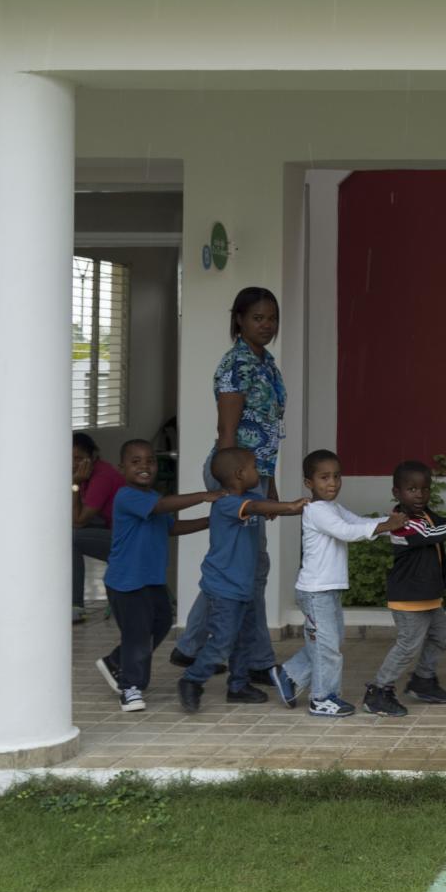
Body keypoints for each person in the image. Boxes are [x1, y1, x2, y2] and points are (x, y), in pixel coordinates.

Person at [170, 286, 288, 673]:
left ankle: (192, 647)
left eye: (271, 317)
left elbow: (268, 429)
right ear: (239, 319)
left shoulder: (266, 362)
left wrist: (267, 481)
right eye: (258, 317)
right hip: (233, 473)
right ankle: (253, 660)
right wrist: (232, 488)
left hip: (253, 474)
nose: (266, 324)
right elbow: (228, 430)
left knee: (241, 568)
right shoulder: (236, 365)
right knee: (248, 568)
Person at [177, 447, 309, 714]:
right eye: (253, 467)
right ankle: (192, 680)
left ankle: (238, 686)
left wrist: (291, 506)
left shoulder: (249, 496)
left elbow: (262, 505)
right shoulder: (227, 503)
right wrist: (291, 506)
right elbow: (257, 507)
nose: (257, 472)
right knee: (223, 640)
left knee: (244, 639)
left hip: (243, 586)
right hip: (224, 588)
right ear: (239, 474)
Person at [279, 450, 409, 718]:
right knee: (327, 647)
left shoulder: (333, 508)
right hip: (316, 592)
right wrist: (386, 527)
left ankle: (288, 676)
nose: (332, 483)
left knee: (329, 642)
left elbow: (358, 522)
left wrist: (389, 523)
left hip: (326, 590)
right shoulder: (316, 510)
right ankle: (322, 698)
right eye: (324, 477)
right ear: (308, 483)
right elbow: (346, 532)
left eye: (337, 476)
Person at [91, 440, 217, 712]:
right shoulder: (126, 496)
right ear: (122, 468)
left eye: (150, 461)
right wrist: (203, 496)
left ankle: (115, 662)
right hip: (127, 581)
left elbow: (172, 527)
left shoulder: (151, 499)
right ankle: (130, 687)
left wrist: (209, 521)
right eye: (136, 461)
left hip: (152, 580)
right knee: (138, 635)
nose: (144, 466)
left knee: (160, 624)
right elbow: (162, 507)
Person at [364, 461, 446, 719]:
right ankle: (379, 691)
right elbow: (432, 534)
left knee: (441, 634)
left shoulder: (424, 514)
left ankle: (422, 680)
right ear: (397, 493)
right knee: (407, 645)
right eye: (411, 489)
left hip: (427, 595)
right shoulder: (401, 522)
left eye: (424, 489)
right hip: (408, 596)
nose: (419, 494)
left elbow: (443, 525)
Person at [71, 431, 124, 624]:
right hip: (112, 530)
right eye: (69, 458)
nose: (74, 463)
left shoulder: (102, 476)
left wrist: (75, 483)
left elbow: (78, 520)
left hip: (128, 540)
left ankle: (74, 606)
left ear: (92, 457)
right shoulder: (86, 475)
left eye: (79, 458)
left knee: (69, 538)